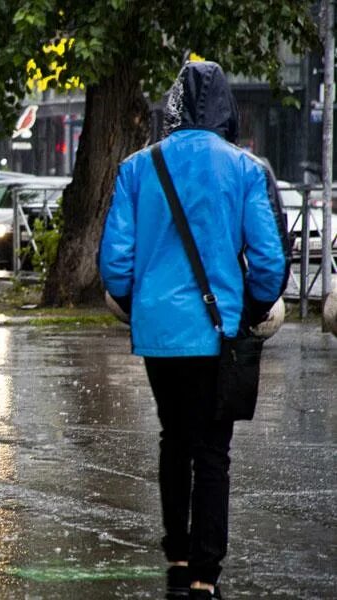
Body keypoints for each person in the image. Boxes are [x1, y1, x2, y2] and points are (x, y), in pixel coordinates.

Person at [99, 61, 289, 600]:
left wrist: (147, 305)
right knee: (212, 450)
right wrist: (250, 309)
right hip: (218, 332)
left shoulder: (138, 167)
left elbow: (115, 264)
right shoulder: (245, 169)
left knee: (173, 437)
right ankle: (206, 573)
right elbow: (271, 263)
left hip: (160, 334)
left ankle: (177, 553)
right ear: (227, 107)